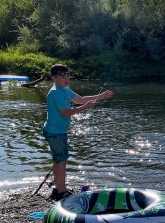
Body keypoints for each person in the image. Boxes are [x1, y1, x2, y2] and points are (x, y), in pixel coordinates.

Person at [43, 63, 114, 200]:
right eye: (62, 76)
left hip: (58, 131)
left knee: (59, 159)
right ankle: (61, 191)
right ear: (54, 78)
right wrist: (85, 107)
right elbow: (65, 112)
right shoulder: (55, 93)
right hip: (54, 132)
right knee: (61, 161)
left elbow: (80, 99)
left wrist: (102, 96)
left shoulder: (65, 89)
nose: (66, 78)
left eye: (67, 75)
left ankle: (58, 187)